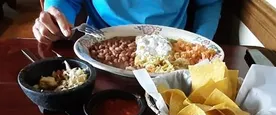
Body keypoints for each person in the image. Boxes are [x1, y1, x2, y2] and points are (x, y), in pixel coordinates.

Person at [33, 0, 223, 45]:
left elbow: (209, 4)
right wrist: (56, 19)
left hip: (171, 49)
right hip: (100, 43)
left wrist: (199, 43)